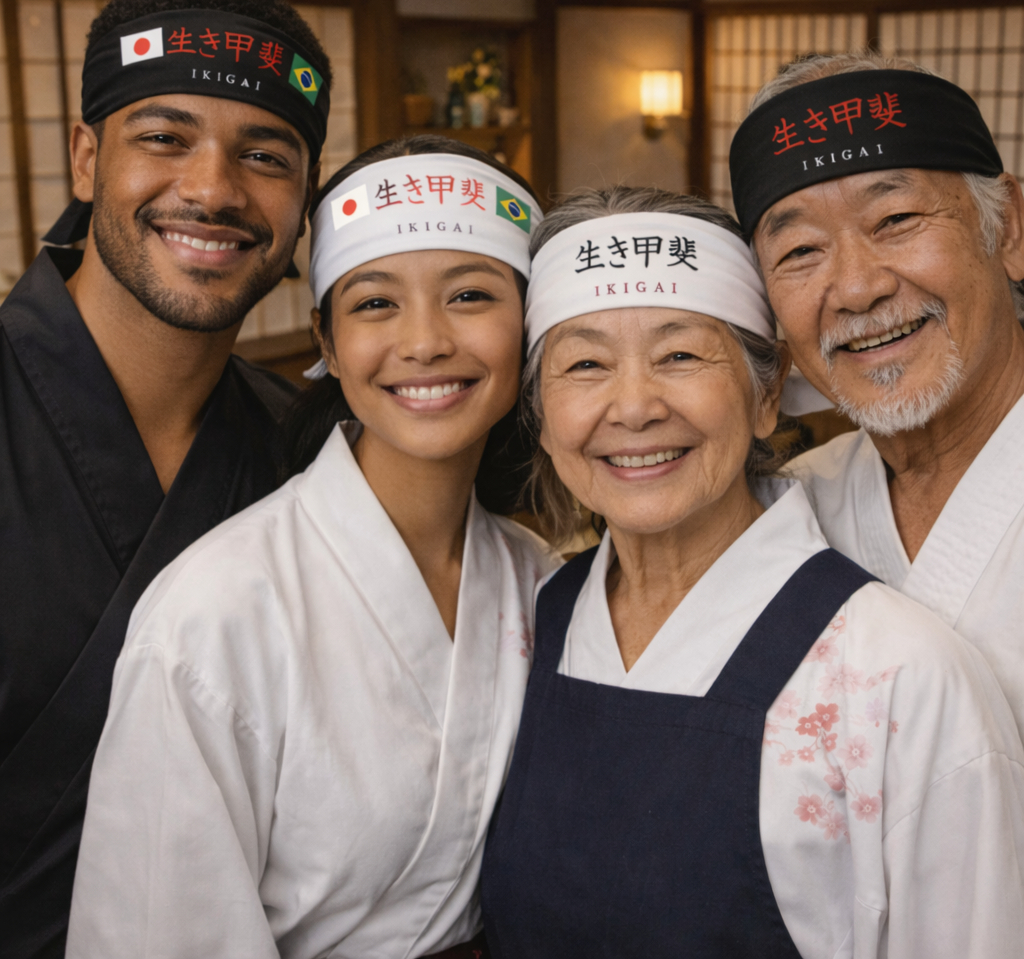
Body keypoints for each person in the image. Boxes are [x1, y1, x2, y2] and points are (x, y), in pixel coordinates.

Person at [480, 187, 1024, 958]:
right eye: (585, 364)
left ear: (767, 394)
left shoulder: (898, 675)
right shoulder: (537, 617)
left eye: (679, 356)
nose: (633, 407)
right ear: (539, 409)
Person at [66, 136, 560, 959]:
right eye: (374, 304)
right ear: (327, 345)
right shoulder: (218, 611)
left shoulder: (538, 578)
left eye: (471, 295)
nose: (425, 342)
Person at [0, 0, 333, 956]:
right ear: (88, 157)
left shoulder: (303, 453)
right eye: (164, 137)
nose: (214, 189)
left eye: (265, 154)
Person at [729, 52, 1024, 739]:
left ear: (1008, 225)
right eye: (800, 251)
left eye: (895, 220)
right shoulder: (781, 513)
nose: (858, 289)